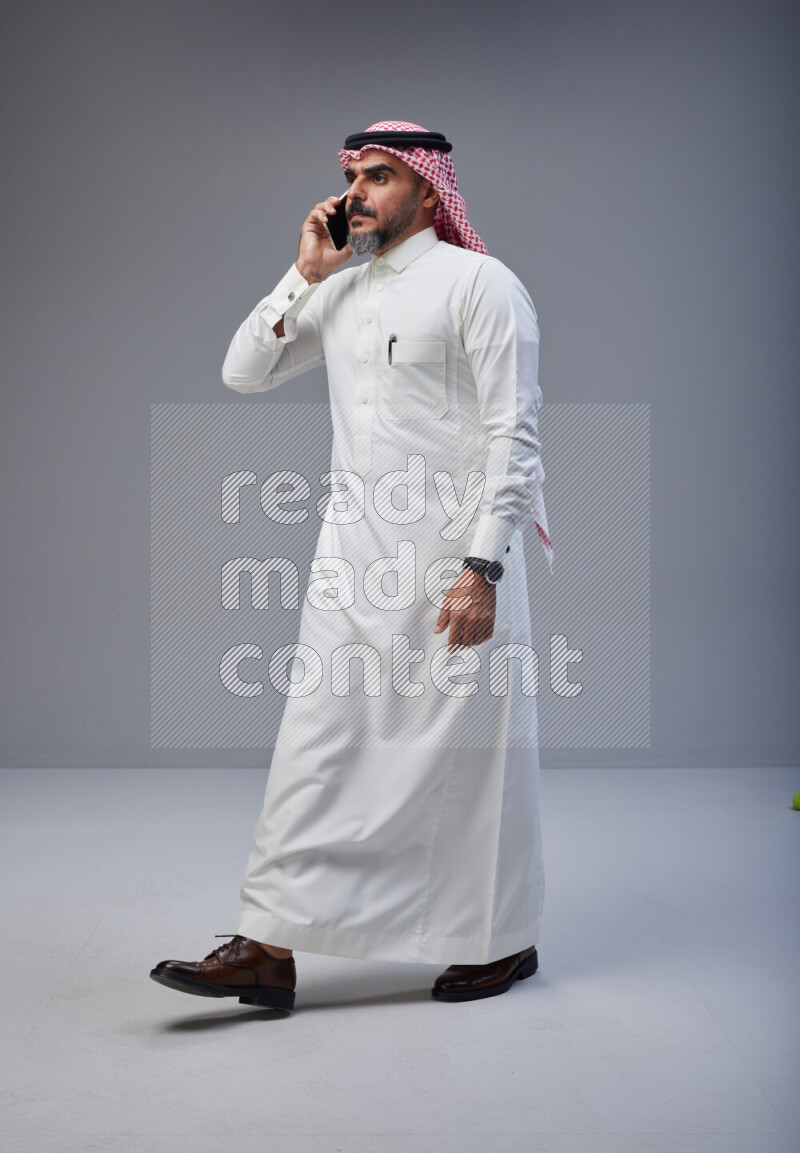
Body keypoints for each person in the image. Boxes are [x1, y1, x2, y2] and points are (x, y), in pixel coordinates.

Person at [150, 120, 553, 1010]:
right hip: (351, 561)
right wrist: (304, 273)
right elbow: (243, 371)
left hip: (456, 562)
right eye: (353, 177)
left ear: (428, 189)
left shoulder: (481, 285)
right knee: (317, 744)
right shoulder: (340, 292)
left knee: (468, 761)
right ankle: (268, 946)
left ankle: (501, 937)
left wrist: (484, 566)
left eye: (379, 176)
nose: (357, 193)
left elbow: (514, 434)